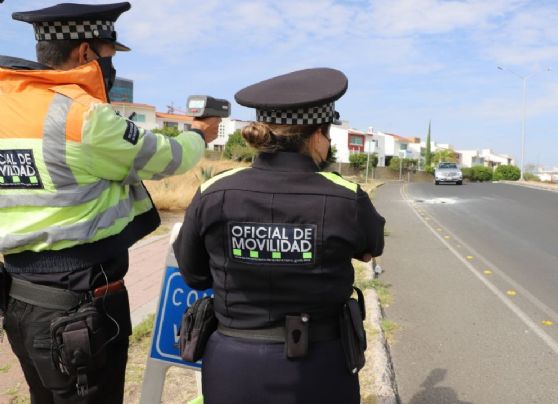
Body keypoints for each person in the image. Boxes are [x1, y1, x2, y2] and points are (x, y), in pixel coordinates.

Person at [0, 2, 219, 403]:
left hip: (19, 300)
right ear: (85, 53)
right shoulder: (82, 116)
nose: (109, 65)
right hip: (81, 306)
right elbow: (169, 158)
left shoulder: (5, 103)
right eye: (109, 54)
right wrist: (199, 135)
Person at [173, 68, 386, 403]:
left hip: (232, 368)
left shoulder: (214, 192)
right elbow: (372, 246)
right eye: (328, 135)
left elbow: (194, 275)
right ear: (317, 134)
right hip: (320, 368)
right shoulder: (347, 197)